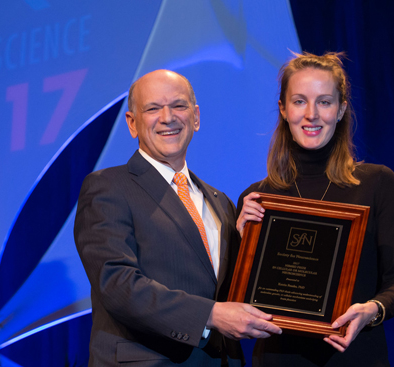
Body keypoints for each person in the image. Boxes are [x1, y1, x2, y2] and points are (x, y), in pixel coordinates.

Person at [74, 69, 282, 366]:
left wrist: (248, 244)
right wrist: (210, 315)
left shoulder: (221, 202)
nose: (168, 117)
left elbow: (225, 290)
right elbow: (117, 284)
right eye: (153, 108)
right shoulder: (108, 188)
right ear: (132, 123)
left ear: (195, 117)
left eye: (179, 106)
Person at [236, 52, 394, 366]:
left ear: (342, 109)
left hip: (354, 357)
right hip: (279, 360)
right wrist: (243, 244)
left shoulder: (378, 184)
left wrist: (371, 310)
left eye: (325, 102)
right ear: (283, 109)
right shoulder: (258, 199)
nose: (312, 115)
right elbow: (238, 304)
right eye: (300, 101)